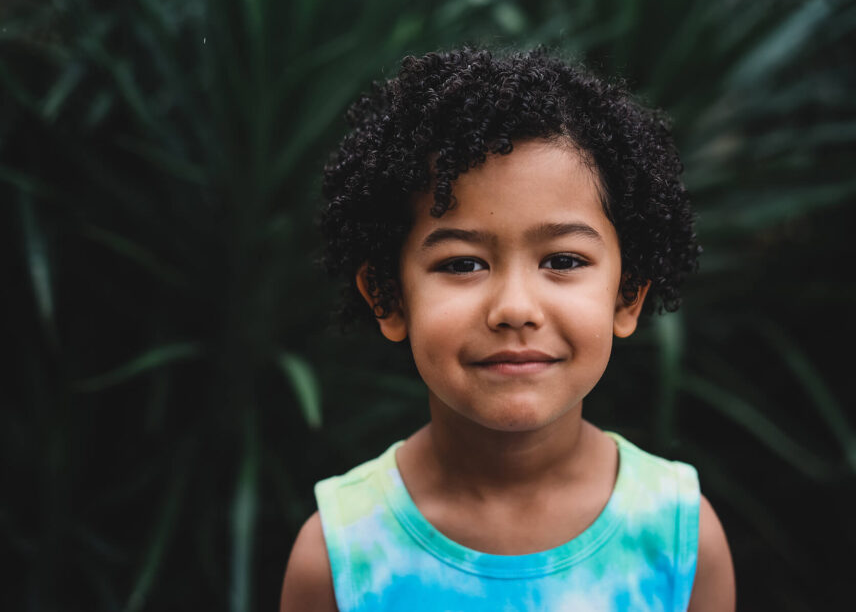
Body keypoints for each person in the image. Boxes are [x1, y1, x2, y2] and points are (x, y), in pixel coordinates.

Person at [280, 48, 735, 612]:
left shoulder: (680, 541)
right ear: (388, 296)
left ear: (627, 295)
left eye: (564, 261)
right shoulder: (337, 558)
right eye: (462, 263)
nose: (515, 308)